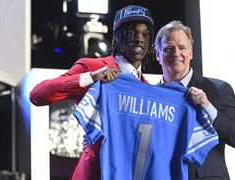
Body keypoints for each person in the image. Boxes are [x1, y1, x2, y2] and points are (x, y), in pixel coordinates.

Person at [29, 5, 155, 180]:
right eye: (132, 32)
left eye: (145, 34)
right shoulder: (93, 68)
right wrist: (90, 77)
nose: (139, 39)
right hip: (93, 173)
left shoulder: (148, 89)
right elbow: (37, 95)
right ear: (117, 37)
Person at [154, 20, 235, 180]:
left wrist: (207, 106)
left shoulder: (217, 89)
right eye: (169, 48)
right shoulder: (152, 96)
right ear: (157, 55)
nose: (176, 53)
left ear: (191, 52)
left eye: (182, 47)